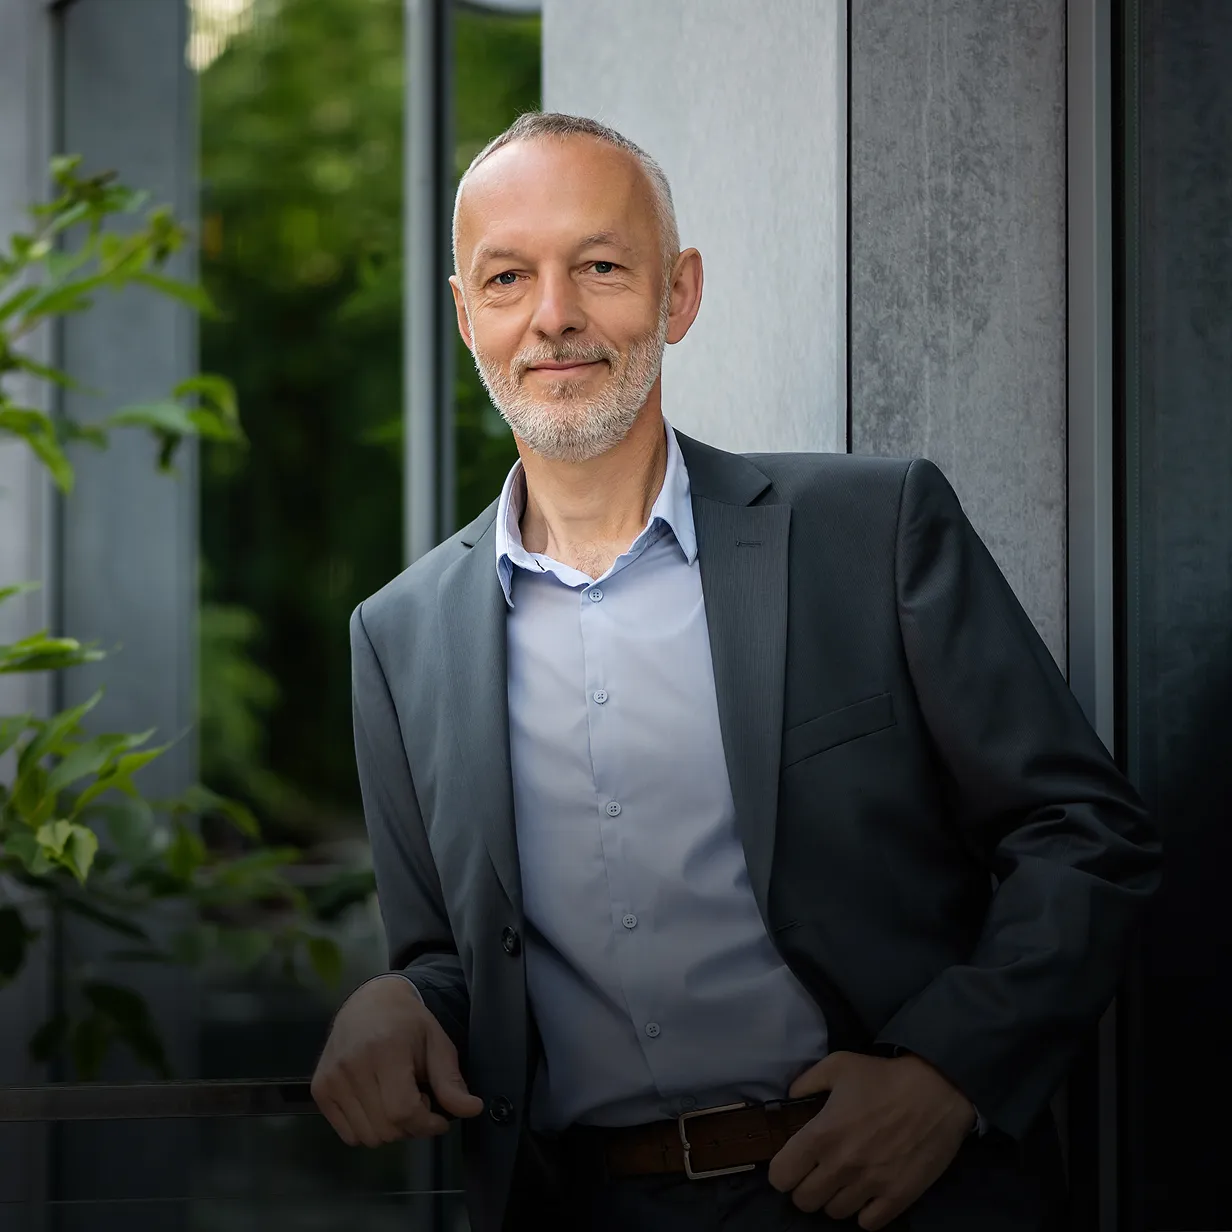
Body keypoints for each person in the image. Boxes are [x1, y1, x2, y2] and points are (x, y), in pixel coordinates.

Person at [310, 112, 1161, 1232]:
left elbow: (1082, 832)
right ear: (469, 317)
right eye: (509, 277)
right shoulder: (398, 635)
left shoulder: (871, 529)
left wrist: (948, 1073)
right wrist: (390, 1001)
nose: (554, 315)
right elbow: (449, 959)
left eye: (600, 267)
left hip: (892, 1196)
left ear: (678, 294)